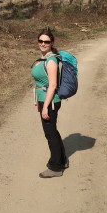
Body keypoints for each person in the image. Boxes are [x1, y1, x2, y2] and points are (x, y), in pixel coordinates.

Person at [31, 28, 68, 178]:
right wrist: (38, 103)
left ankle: (55, 167)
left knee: (50, 134)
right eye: (41, 41)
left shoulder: (51, 61)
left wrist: (45, 106)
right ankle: (62, 160)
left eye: (46, 41)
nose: (43, 44)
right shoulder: (43, 58)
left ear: (52, 43)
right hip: (43, 99)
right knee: (53, 131)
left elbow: (52, 85)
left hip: (50, 101)